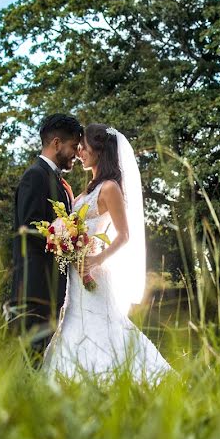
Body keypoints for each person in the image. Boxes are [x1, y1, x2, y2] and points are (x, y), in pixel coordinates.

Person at [43, 123, 171, 381]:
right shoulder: (90, 186)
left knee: (103, 325)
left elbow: (124, 235)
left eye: (85, 147)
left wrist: (95, 259)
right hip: (76, 275)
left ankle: (112, 378)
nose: (80, 152)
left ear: (100, 150)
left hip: (94, 272)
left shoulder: (110, 187)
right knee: (73, 324)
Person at [8, 113, 83, 361]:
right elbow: (28, 228)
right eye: (74, 146)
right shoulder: (35, 176)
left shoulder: (57, 182)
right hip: (35, 288)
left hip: (51, 288)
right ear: (57, 143)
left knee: (44, 360)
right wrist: (65, 238)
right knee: (32, 360)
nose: (76, 153)